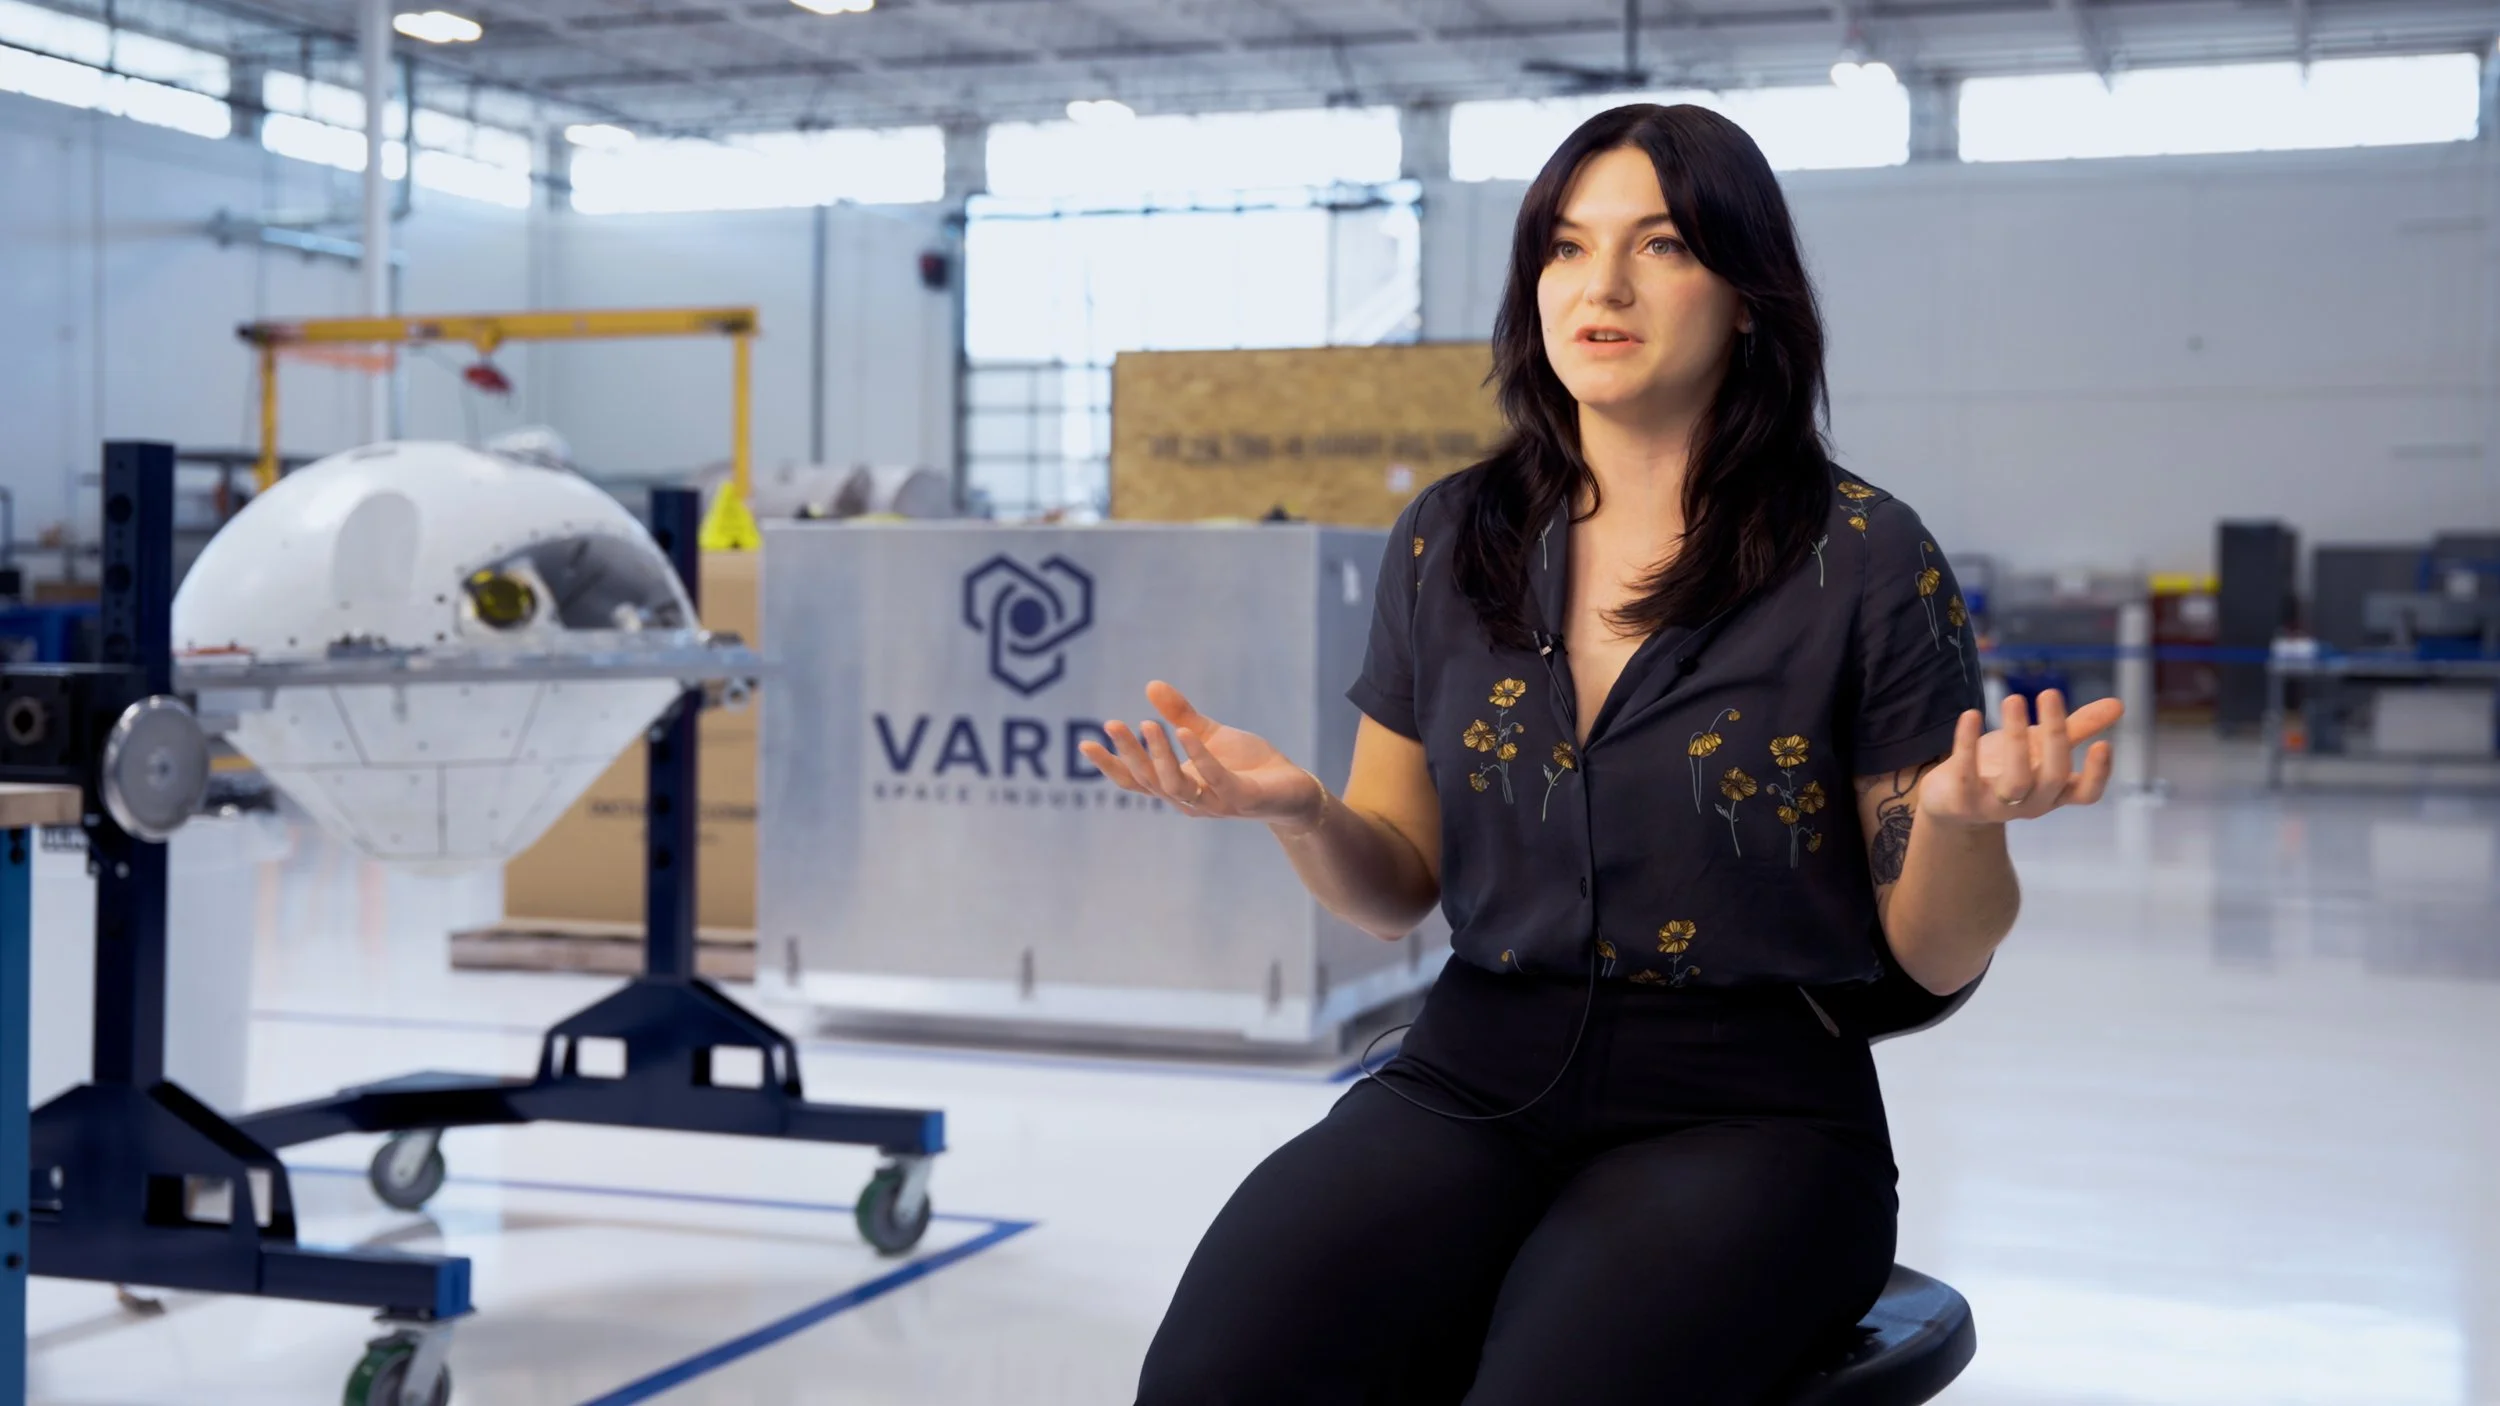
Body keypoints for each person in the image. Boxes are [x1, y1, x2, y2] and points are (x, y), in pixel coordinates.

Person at [1081, 103, 2122, 1405]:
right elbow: (1396, 878)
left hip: (1751, 1108)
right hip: (1473, 1070)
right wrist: (1298, 809)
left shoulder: (1860, 555)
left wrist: (1968, 822)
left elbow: (1930, 954)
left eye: (1661, 245)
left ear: (1747, 294)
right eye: (1565, 248)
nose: (1603, 285)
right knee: (1216, 1375)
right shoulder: (1453, 537)